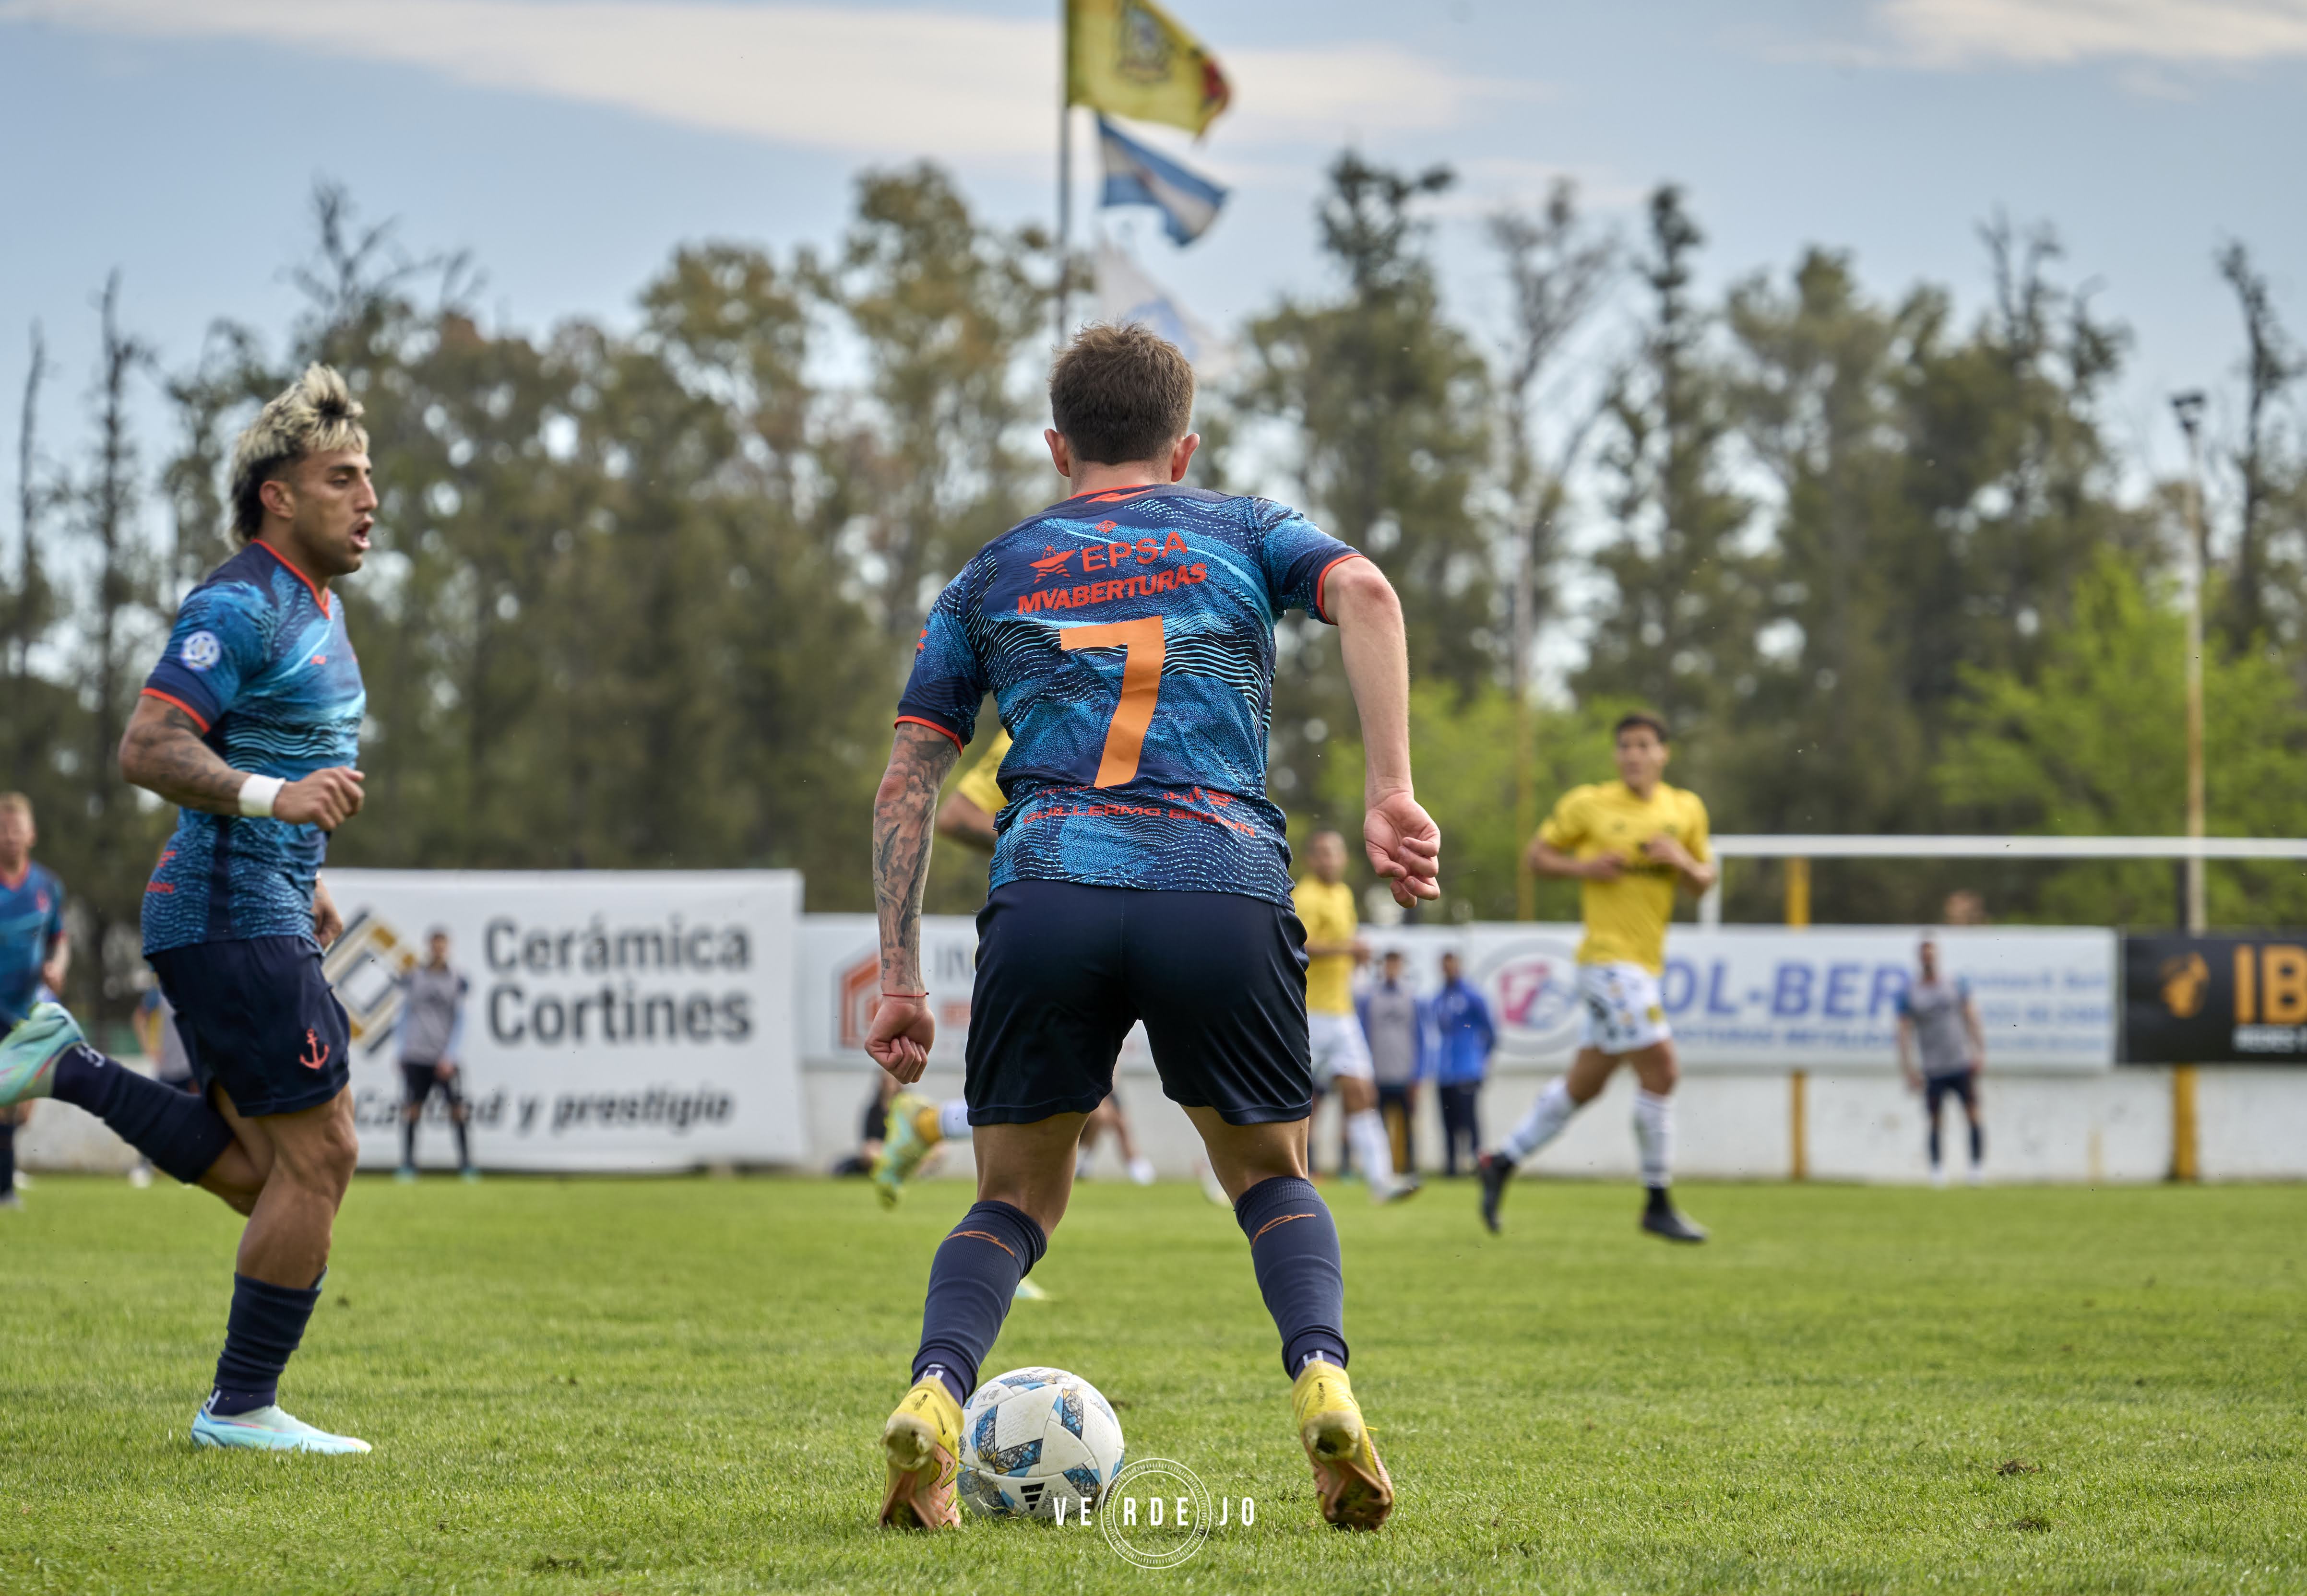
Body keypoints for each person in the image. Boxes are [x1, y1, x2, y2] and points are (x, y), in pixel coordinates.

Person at [863, 323, 1440, 1532]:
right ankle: (1321, 1377)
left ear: (1056, 446)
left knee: (1014, 1199)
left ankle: (936, 1390)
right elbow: (1368, 594)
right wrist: (1389, 790)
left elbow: (910, 775)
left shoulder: (991, 573)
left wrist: (901, 977)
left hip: (1049, 890)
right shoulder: (1242, 528)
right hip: (1216, 885)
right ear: (1184, 447)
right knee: (1267, 1175)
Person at [0, 365, 374, 1452]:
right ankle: (241, 1407)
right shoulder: (239, 603)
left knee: (269, 1174)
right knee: (324, 1155)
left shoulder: (319, 606)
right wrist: (276, 803)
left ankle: (68, 1065)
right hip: (228, 916)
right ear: (277, 496)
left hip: (253, 907)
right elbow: (149, 745)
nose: (368, 499)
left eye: (368, 478)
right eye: (341, 478)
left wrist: (302, 864)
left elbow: (272, 754)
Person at [1478, 712, 1715, 1242]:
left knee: (1584, 1086)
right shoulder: (1590, 803)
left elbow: (1704, 882)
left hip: (1645, 966)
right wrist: (1584, 868)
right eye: (1625, 746)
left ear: (1663, 754)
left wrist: (1681, 860)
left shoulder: (1684, 809)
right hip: (1607, 963)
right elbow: (1536, 857)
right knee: (1662, 1069)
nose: (1633, 755)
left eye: (1643, 745)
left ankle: (1501, 1161)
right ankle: (1657, 1201)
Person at [1296, 830, 1416, 1203]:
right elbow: (1297, 944)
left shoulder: (1345, 894)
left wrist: (1353, 956)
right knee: (1287, 1101)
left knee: (1362, 1091)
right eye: (1322, 853)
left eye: (1335, 853)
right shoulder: (1305, 895)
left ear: (1344, 858)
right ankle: (1230, 1173)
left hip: (1342, 1014)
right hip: (1308, 1013)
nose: (1329, 860)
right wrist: (1347, 949)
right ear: (1311, 859)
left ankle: (1382, 1182)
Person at [0, 792, 67, 1210]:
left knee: (21, 1107)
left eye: (16, 828)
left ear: (32, 835)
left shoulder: (47, 886)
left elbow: (61, 939)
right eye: (3, 829)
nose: (10, 836)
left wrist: (57, 966)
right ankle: (5, 1189)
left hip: (28, 1008)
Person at [1898, 937, 1987, 1187]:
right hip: (1933, 1067)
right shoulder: (1911, 993)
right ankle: (1937, 1171)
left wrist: (1980, 1051)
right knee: (1935, 1120)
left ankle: (1976, 1169)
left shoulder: (1954, 985)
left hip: (1960, 1062)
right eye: (1924, 956)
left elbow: (1971, 1017)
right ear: (1920, 959)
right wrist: (1908, 1069)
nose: (1928, 960)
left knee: (1973, 1115)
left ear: (1937, 957)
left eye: (1932, 955)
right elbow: (1903, 1032)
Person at [396, 928, 476, 1182]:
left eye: (443, 946)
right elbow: (405, 1014)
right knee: (412, 1109)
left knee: (457, 1110)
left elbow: (460, 1019)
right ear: (429, 947)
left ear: (448, 948)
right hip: (416, 1054)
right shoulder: (415, 977)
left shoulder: (457, 979)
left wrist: (450, 1055)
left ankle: (466, 1165)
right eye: (435, 946)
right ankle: (408, 1165)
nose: (439, 950)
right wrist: (401, 1050)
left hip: (444, 1057)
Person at [1429, 951, 1495, 1178]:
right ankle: (1451, 1168)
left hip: (1467, 1070)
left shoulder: (1473, 997)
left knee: (1470, 1121)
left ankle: (1477, 1166)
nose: (1449, 969)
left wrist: (1480, 1060)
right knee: (1448, 1121)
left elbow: (1491, 1032)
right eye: (1445, 965)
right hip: (1445, 1071)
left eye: (1452, 964)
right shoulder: (1438, 998)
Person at [1357, 949, 1422, 1178]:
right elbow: (1362, 1037)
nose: (1392, 970)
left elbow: (1421, 1039)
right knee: (1379, 1127)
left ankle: (1409, 1169)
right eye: (1388, 965)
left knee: (1408, 1127)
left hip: (1404, 1074)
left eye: (1396, 965)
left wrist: (1418, 1074)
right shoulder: (1369, 999)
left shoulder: (1412, 998)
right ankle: (1383, 1171)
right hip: (1378, 1075)